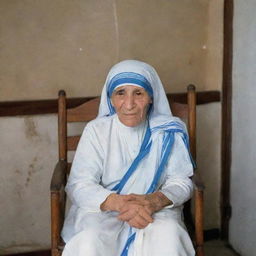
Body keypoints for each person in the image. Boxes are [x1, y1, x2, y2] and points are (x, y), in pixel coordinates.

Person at [61, 60, 195, 256]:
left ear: (151, 97)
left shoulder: (169, 130)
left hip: (155, 209)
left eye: (138, 93)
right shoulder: (96, 130)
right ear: (111, 98)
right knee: (90, 240)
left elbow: (181, 182)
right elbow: (79, 184)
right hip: (104, 208)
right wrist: (120, 204)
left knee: (169, 236)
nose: (129, 104)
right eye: (120, 93)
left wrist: (154, 201)